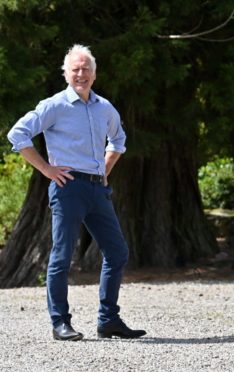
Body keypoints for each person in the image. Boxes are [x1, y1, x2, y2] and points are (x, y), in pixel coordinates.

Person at [7, 44, 146, 341]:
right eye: (75, 69)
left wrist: (104, 171)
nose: (80, 74)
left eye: (86, 69)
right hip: (67, 188)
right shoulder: (55, 106)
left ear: (94, 74)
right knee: (62, 256)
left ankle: (108, 320)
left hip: (98, 189)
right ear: (66, 73)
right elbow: (17, 134)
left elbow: (118, 141)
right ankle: (60, 322)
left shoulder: (105, 108)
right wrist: (46, 169)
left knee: (117, 252)